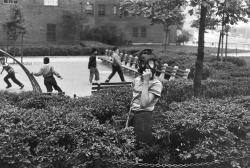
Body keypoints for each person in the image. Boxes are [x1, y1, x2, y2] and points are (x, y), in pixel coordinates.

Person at [127, 49, 163, 145]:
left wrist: (146, 82)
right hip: (132, 115)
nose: (147, 67)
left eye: (150, 63)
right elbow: (133, 99)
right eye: (143, 63)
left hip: (144, 117)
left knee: (141, 146)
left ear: (155, 65)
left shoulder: (156, 84)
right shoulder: (137, 80)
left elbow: (143, 104)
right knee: (130, 145)